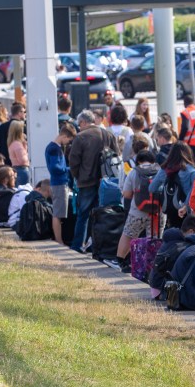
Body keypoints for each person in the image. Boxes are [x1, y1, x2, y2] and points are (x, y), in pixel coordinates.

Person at [68, 110, 120, 252]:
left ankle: (78, 245)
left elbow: (73, 161)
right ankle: (98, 245)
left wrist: (77, 176)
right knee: (103, 214)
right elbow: (117, 156)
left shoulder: (81, 137)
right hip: (107, 181)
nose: (79, 127)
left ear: (84, 122)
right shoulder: (108, 134)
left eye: (79, 124)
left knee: (83, 215)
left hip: (87, 181)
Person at [114, 150, 161, 272]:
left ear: (138, 160)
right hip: (158, 212)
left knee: (128, 234)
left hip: (137, 211)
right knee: (155, 238)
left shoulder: (134, 172)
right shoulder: (160, 170)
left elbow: (127, 194)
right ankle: (151, 267)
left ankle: (120, 261)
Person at [149, 214, 195, 298]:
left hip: (156, 286)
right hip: (164, 290)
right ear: (191, 232)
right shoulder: (181, 246)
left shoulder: (173, 238)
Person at [150, 141, 195, 230]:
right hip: (186, 211)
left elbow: (152, 188)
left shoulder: (164, 170)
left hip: (169, 210)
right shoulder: (191, 172)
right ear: (188, 153)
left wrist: (166, 189)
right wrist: (186, 206)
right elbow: (193, 192)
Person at [45, 124, 76, 244]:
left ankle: (59, 239)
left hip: (57, 182)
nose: (68, 143)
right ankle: (59, 240)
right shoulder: (55, 149)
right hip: (59, 182)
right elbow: (55, 167)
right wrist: (68, 169)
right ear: (64, 136)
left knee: (58, 212)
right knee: (58, 214)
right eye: (68, 140)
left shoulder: (52, 147)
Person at [7, 120, 31, 186]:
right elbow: (23, 160)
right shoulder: (17, 144)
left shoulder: (12, 143)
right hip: (22, 170)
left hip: (16, 169)